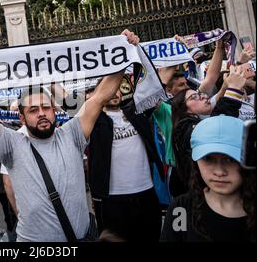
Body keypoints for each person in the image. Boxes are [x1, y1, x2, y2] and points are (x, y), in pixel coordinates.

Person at [0, 29, 140, 241]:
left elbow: (101, 96)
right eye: (33, 110)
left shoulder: (72, 133)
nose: (42, 114)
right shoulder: (11, 143)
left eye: (45, 107)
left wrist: (123, 52)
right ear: (22, 117)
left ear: (54, 110)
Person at [161, 115, 255, 241]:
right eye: (208, 158)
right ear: (195, 162)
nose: (219, 172)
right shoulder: (181, 210)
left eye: (230, 159)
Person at [88, 86, 164, 241]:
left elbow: (158, 82)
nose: (114, 92)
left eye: (117, 88)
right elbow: (67, 101)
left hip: (146, 194)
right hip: (113, 200)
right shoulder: (93, 121)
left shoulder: (136, 111)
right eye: (109, 89)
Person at [170, 65, 247, 197]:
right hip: (196, 199)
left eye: (200, 94)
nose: (203, 97)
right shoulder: (183, 127)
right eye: (194, 97)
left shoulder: (196, 121)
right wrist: (233, 91)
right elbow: (217, 131)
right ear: (184, 109)